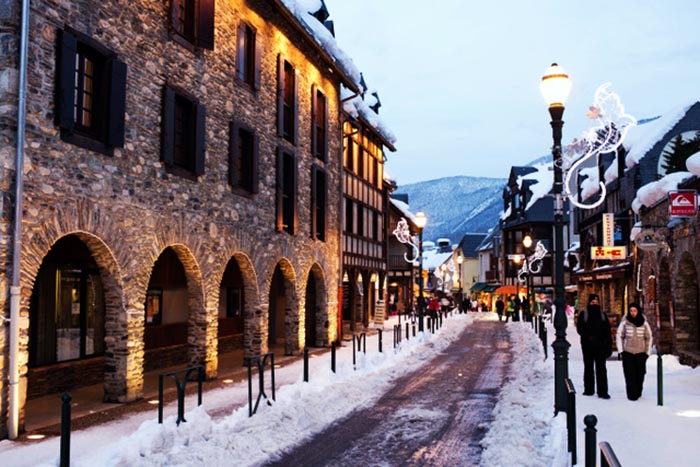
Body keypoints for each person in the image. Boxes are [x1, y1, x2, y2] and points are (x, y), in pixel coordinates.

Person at [576, 294, 612, 399]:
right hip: (587, 346)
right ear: (589, 303)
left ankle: (602, 391)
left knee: (601, 368)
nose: (595, 304)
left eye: (596, 303)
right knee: (588, 367)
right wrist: (588, 336)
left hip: (600, 346)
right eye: (593, 302)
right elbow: (580, 328)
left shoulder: (602, 315)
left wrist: (608, 346)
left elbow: (607, 331)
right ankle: (589, 389)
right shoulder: (584, 314)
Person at [616, 303, 652, 401]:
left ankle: (638, 391)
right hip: (628, 352)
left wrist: (647, 352)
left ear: (638, 311)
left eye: (635, 311)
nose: (633, 313)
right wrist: (621, 351)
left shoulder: (644, 323)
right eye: (631, 311)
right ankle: (631, 394)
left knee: (640, 373)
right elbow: (619, 335)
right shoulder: (625, 322)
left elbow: (649, 337)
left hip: (641, 353)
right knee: (629, 374)